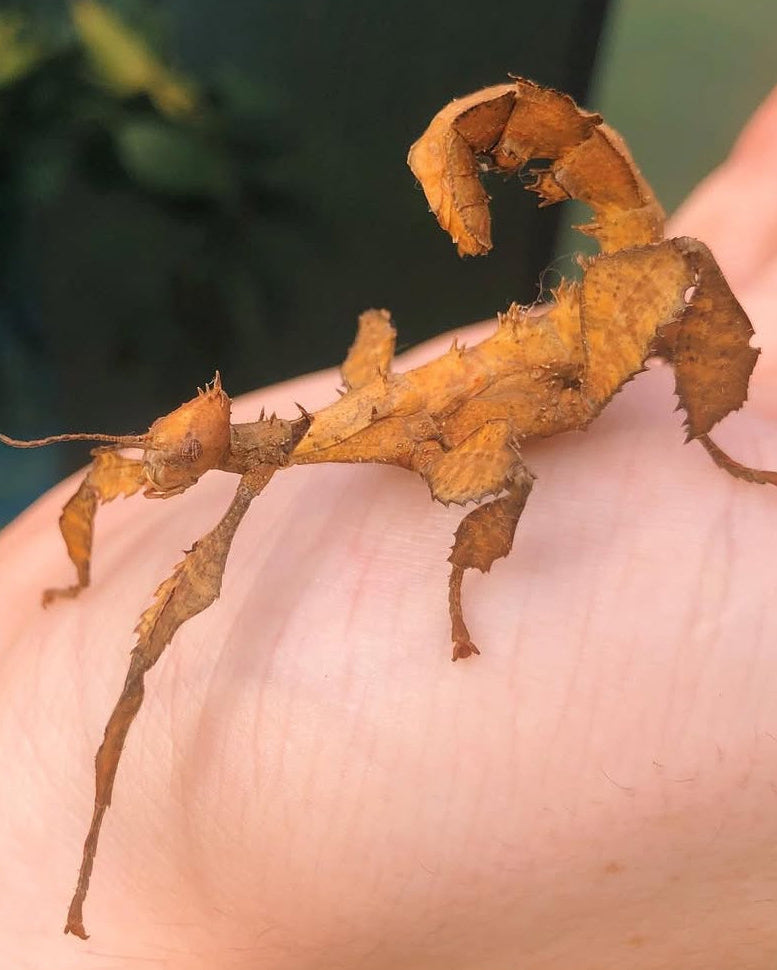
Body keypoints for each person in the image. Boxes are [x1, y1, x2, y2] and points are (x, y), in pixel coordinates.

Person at [2, 84, 777, 968]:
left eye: (187, 443)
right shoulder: (301, 446)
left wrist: (458, 590)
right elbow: (106, 481)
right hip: (503, 370)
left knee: (657, 296)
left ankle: (722, 445)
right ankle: (87, 857)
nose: (169, 461)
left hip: (563, 360)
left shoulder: (372, 425)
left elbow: (501, 472)